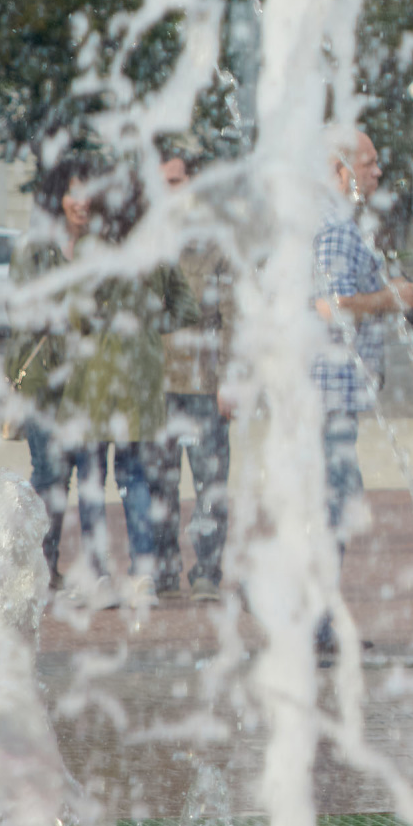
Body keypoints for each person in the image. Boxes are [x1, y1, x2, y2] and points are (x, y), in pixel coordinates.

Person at [57, 165, 200, 610]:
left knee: (91, 482)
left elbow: (74, 315)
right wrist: (150, 329)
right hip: (141, 380)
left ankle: (99, 577)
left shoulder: (89, 251)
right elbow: (188, 309)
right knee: (136, 478)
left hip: (95, 382)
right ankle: (143, 576)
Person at [312, 127, 413, 661]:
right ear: (340, 172)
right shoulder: (334, 228)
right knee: (331, 506)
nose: (377, 172)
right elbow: (329, 305)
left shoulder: (333, 224)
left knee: (333, 503)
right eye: (369, 163)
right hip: (326, 394)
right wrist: (392, 297)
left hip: (329, 394)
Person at [151, 149, 238, 600]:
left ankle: (206, 572)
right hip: (153, 386)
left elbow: (234, 318)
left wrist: (231, 380)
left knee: (210, 486)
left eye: (175, 182)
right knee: (158, 486)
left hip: (204, 385)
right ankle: (163, 569)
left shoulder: (216, 242)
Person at [6, 160, 82, 587]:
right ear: (57, 198)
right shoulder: (34, 247)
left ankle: (44, 564)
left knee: (65, 473)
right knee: (49, 471)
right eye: (75, 191)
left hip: (83, 380)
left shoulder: (95, 246)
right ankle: (33, 563)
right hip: (41, 378)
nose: (84, 201)